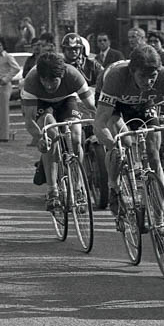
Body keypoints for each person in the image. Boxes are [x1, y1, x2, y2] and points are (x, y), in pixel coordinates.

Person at [94, 45, 164, 214]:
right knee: (121, 143)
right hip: (115, 102)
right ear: (132, 71)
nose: (148, 81)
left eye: (152, 76)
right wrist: (112, 144)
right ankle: (113, 186)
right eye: (143, 76)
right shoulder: (116, 77)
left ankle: (160, 218)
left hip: (144, 102)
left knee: (153, 154)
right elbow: (100, 121)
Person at [22, 51, 96, 210]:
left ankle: (78, 186)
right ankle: (52, 191)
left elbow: (92, 108)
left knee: (76, 138)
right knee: (51, 137)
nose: (48, 85)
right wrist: (39, 138)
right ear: (39, 77)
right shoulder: (31, 80)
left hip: (67, 100)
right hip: (42, 104)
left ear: (62, 76)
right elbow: (29, 120)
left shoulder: (73, 75)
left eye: (53, 81)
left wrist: (100, 127)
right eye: (44, 81)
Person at [0, 36, 21, 142]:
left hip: (4, 85)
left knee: (4, 111)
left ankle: (4, 136)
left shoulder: (8, 56)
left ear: (3, 46)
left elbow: (16, 68)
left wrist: (6, 79)